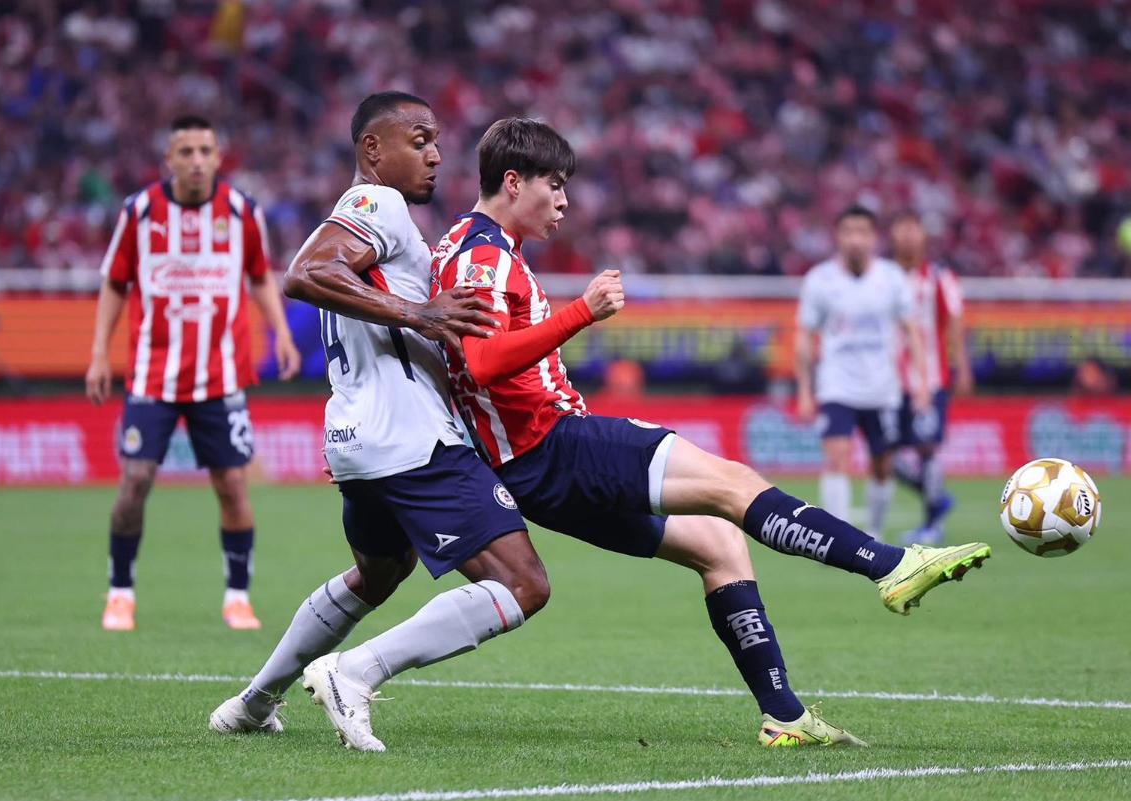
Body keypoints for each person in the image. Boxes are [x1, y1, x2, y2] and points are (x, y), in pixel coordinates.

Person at [296, 118, 992, 752]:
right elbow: (480, 361)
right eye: (554, 184)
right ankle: (889, 564)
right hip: (550, 446)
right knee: (734, 485)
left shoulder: (481, 248)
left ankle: (784, 714)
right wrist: (581, 313)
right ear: (513, 182)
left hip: (532, 465)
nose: (564, 200)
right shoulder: (482, 254)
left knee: (718, 545)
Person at [209, 92, 556, 750]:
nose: (436, 154)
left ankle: (253, 702)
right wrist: (419, 313)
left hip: (358, 440)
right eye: (419, 140)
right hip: (410, 439)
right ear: (373, 149)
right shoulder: (377, 203)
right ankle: (355, 673)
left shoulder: (387, 225)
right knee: (521, 582)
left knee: (379, 572)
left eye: (436, 142)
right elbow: (306, 273)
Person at [85, 115, 301, 632]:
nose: (197, 161)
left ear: (219, 157)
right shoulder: (139, 213)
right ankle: (120, 592)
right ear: (170, 160)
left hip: (221, 377)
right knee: (135, 481)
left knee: (232, 485)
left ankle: (237, 597)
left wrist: (280, 332)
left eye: (206, 150)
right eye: (187, 152)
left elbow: (259, 277)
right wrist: (98, 353)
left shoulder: (241, 211)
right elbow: (115, 283)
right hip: (152, 376)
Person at [795, 205, 929, 542]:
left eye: (862, 232)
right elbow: (804, 336)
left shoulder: (891, 278)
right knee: (836, 458)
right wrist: (805, 390)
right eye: (848, 231)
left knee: (882, 465)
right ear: (838, 237)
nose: (855, 239)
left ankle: (874, 533)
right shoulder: (820, 280)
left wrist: (922, 382)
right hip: (837, 386)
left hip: (882, 389)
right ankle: (838, 540)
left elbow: (912, 330)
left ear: (873, 238)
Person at [889, 212, 973, 544]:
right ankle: (937, 499)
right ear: (893, 234)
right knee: (888, 457)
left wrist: (962, 367)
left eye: (914, 229)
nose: (908, 235)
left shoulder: (939, 277)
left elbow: (955, 323)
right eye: (902, 228)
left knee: (927, 448)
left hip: (931, 379)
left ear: (923, 235)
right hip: (887, 382)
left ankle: (932, 523)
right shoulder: (882, 276)